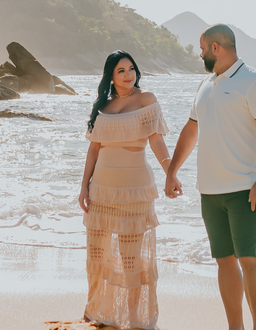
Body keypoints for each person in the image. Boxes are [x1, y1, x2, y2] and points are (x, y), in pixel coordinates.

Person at [164, 24, 256, 330]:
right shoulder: (205, 85)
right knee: (224, 261)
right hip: (210, 192)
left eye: (202, 48)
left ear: (216, 47)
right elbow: (191, 130)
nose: (199, 54)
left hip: (245, 189)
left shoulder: (254, 82)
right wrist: (172, 171)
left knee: (249, 260)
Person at [80, 50, 172, 330]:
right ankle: (98, 311)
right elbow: (94, 149)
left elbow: (156, 141)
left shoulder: (147, 100)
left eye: (131, 69)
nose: (128, 74)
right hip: (102, 191)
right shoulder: (103, 107)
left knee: (132, 261)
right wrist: (84, 186)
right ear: (110, 76)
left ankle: (134, 319)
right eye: (121, 71)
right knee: (96, 257)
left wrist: (171, 173)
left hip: (135, 190)